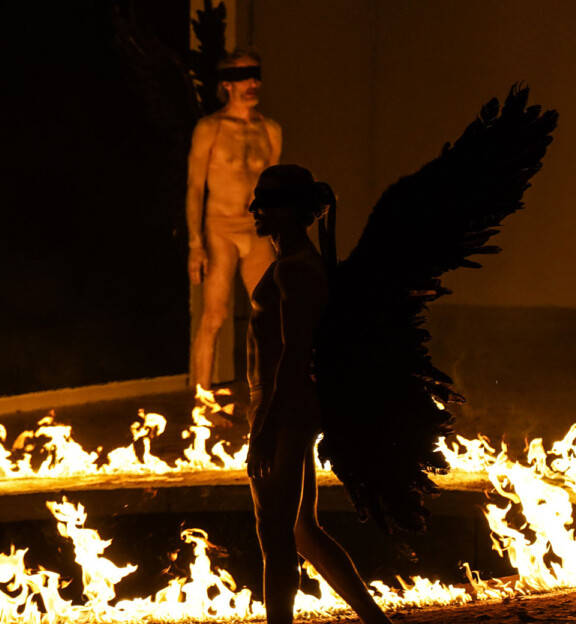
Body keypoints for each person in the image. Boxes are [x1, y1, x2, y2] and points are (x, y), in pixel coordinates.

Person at [245, 165, 393, 624]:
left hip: (284, 410)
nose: (254, 209)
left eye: (265, 202)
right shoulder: (294, 265)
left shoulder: (296, 270)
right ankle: (378, 622)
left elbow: (295, 353)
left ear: (290, 210)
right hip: (281, 409)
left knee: (275, 534)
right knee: (302, 532)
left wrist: (266, 429)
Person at [186, 50, 282, 392]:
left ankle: (266, 394)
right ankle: (203, 402)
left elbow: (272, 190)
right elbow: (196, 186)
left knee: (270, 313)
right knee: (214, 317)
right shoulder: (210, 128)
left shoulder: (269, 130)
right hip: (220, 228)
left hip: (254, 230)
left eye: (255, 76)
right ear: (227, 84)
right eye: (244, 77)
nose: (252, 84)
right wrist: (196, 244)